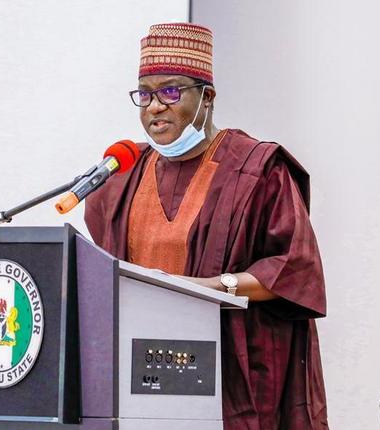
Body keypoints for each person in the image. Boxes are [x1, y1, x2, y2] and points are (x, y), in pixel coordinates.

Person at [84, 23, 328, 429]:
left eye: (170, 92)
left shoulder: (256, 168)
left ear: (207, 97)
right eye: (144, 94)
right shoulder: (122, 178)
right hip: (140, 372)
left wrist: (213, 287)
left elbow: (295, 268)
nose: (154, 107)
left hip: (231, 371)